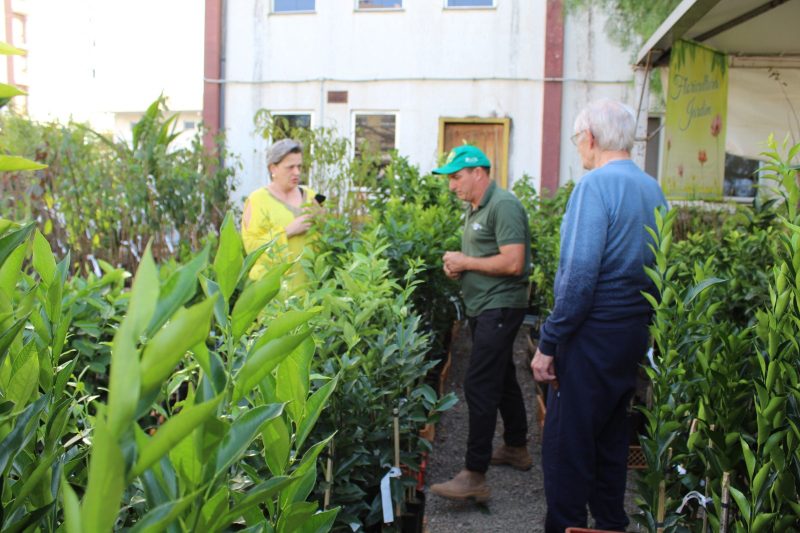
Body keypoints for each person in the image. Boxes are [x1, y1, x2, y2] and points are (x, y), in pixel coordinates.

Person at [531, 99, 668, 532]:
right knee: (611, 441)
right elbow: (661, 271)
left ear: (590, 138)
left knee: (567, 450)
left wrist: (549, 343)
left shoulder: (594, 187)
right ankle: (610, 525)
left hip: (590, 336)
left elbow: (578, 279)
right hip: (632, 336)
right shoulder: (653, 189)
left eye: (578, 140)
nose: (579, 149)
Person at [429, 144, 532, 502]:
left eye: (456, 177)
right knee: (502, 378)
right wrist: (459, 267)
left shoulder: (502, 205)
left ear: (478, 172)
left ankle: (474, 474)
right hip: (484, 306)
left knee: (479, 383)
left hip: (499, 308)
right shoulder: (476, 209)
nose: (452, 186)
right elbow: (485, 258)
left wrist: (466, 262)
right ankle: (517, 447)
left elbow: (514, 262)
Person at [241, 138, 320, 286]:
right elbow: (251, 247)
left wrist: (322, 218)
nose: (297, 172)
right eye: (290, 167)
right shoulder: (257, 200)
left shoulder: (311, 196)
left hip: (307, 286)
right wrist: (288, 231)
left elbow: (329, 234)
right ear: (273, 168)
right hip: (269, 289)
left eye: (299, 166)